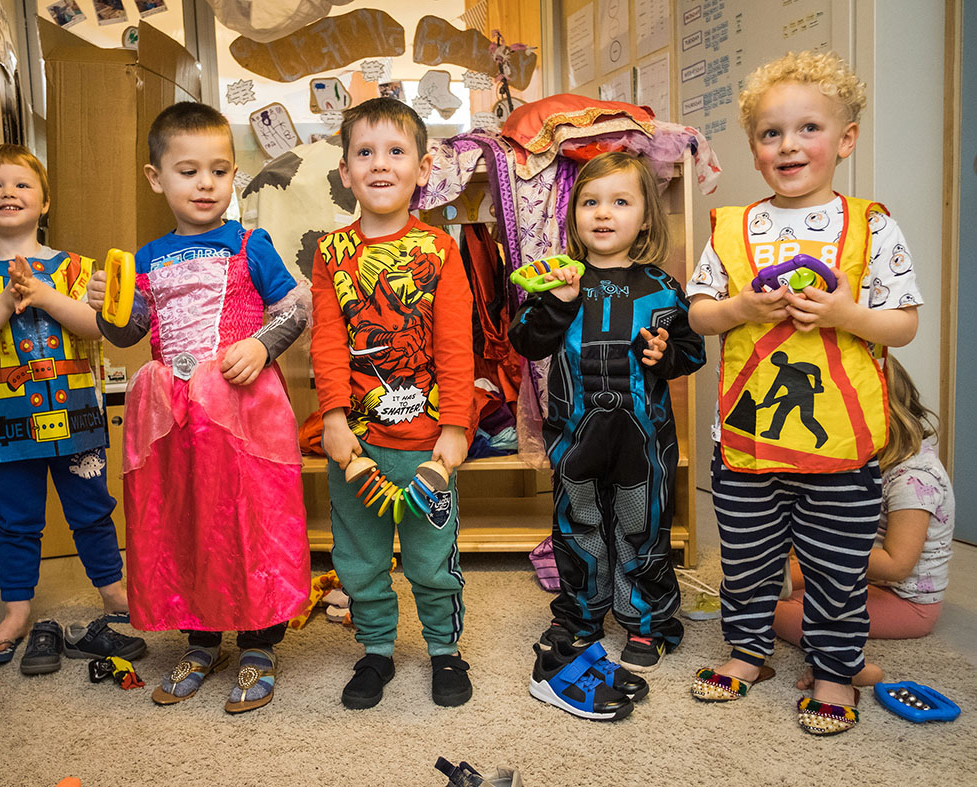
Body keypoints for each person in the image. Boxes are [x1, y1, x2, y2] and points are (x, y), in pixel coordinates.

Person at [685, 51, 922, 736]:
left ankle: (832, 668)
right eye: (769, 133)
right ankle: (748, 650)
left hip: (840, 452)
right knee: (748, 559)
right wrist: (739, 311)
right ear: (755, 150)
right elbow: (699, 314)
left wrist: (847, 315)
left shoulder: (870, 225)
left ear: (844, 139)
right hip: (746, 444)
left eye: (808, 128)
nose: (788, 145)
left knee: (836, 569)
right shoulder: (732, 228)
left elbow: (902, 323)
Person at [88, 102, 311, 713]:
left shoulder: (250, 243)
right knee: (186, 519)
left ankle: (259, 643)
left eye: (220, 170)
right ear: (156, 177)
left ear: (234, 175)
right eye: (188, 171)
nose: (206, 183)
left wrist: (262, 346)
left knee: (251, 520)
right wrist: (107, 305)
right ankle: (202, 636)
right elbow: (128, 333)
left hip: (242, 409)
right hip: (174, 417)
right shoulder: (144, 258)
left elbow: (296, 306)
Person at [508, 151, 705, 720]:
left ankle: (647, 620)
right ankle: (581, 614)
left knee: (643, 528)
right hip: (576, 438)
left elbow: (691, 351)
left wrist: (667, 355)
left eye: (620, 202)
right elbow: (525, 341)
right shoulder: (558, 280)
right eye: (590, 202)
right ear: (573, 216)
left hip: (644, 440)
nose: (603, 214)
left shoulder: (663, 288)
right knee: (580, 526)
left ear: (645, 217)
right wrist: (557, 303)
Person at [0, 144, 141, 671]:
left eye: (22, 184)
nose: (8, 192)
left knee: (93, 512)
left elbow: (97, 327)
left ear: (44, 202)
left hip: (76, 424)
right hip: (3, 430)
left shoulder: (78, 269)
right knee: (17, 521)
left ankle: (114, 593)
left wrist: (46, 295)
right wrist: (5, 301)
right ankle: (16, 610)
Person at [311, 97, 474, 710]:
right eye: (365, 153)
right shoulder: (331, 254)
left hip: (428, 445)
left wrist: (457, 427)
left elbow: (456, 345)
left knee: (433, 562)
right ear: (346, 172)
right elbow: (327, 340)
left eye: (396, 151)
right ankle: (376, 649)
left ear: (423, 167)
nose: (381, 165)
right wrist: (331, 418)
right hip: (357, 443)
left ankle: (443, 650)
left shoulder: (440, 250)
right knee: (359, 561)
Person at [774, 356, 953, 686]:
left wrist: (815, 552)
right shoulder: (872, 463)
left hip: (907, 603)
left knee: (783, 613)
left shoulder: (915, 479)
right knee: (775, 592)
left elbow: (896, 565)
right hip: (866, 579)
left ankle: (849, 667)